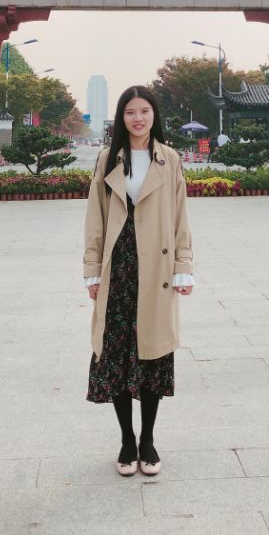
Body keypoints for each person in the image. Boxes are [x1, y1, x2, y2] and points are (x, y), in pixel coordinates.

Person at [83, 85, 194, 478]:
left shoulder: (169, 159)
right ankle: (127, 441)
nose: (138, 118)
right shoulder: (108, 158)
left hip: (157, 269)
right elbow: (95, 217)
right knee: (116, 355)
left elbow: (180, 215)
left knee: (152, 355)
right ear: (121, 117)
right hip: (119, 267)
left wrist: (183, 264)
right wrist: (92, 269)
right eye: (130, 112)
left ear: (153, 115)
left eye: (144, 111)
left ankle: (147, 440)